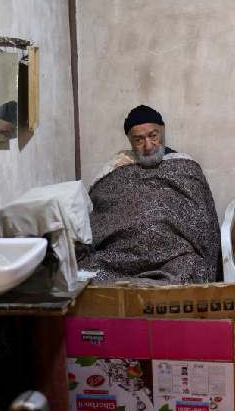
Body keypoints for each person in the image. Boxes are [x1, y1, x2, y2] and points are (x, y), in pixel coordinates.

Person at [78, 105, 220, 285]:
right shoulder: (115, 167)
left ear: (162, 131)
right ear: (130, 140)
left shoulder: (184, 166)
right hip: (121, 258)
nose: (148, 146)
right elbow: (100, 211)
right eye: (138, 140)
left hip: (174, 256)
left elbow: (203, 221)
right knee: (86, 273)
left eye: (153, 136)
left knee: (193, 268)